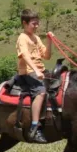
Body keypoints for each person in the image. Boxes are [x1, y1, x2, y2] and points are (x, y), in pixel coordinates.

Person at [15, 9, 54, 143]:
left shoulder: (36, 38)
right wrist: (36, 70)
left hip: (39, 70)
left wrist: (49, 41)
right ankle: (34, 127)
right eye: (33, 24)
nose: (36, 26)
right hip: (27, 71)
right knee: (40, 92)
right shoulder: (22, 37)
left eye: (37, 23)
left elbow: (47, 56)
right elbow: (24, 55)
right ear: (25, 23)